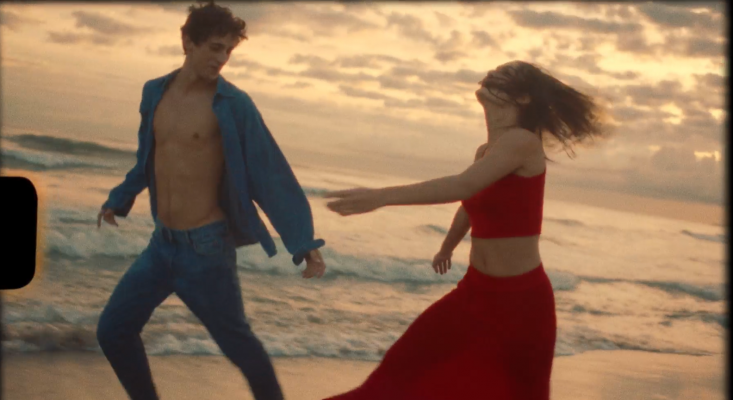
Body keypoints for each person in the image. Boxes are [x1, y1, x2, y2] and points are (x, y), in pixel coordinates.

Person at [323, 60, 607, 399]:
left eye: (505, 75)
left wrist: (382, 196)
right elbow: (470, 201)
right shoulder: (486, 151)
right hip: (475, 292)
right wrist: (447, 246)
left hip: (521, 304)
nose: (492, 75)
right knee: (401, 370)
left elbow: (462, 185)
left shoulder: (522, 142)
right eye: (493, 71)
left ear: (523, 98)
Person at [95, 3, 326, 400]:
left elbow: (270, 173)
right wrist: (119, 198)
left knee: (239, 346)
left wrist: (303, 242)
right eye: (215, 48)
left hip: (206, 250)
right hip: (161, 246)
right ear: (187, 42)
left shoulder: (234, 104)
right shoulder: (154, 92)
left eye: (228, 51)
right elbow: (148, 158)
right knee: (113, 330)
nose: (222, 59)